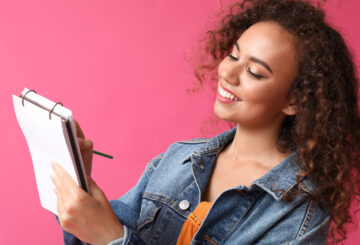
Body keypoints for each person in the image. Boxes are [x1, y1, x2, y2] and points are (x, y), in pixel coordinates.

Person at [50, 0, 360, 244]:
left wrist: (112, 238)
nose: (227, 73)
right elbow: (104, 231)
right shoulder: (178, 158)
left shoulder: (299, 211)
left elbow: (111, 235)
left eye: (255, 72)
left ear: (295, 100)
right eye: (233, 55)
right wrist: (79, 182)